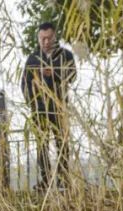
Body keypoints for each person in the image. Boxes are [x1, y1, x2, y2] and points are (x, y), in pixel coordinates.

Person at [22, 21, 78, 189]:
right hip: (39, 109)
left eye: (49, 38)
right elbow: (24, 83)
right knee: (42, 145)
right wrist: (32, 103)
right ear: (38, 39)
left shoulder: (65, 55)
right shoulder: (32, 58)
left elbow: (72, 76)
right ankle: (45, 180)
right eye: (42, 39)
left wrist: (54, 73)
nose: (46, 42)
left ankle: (63, 180)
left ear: (55, 37)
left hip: (59, 107)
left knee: (62, 144)